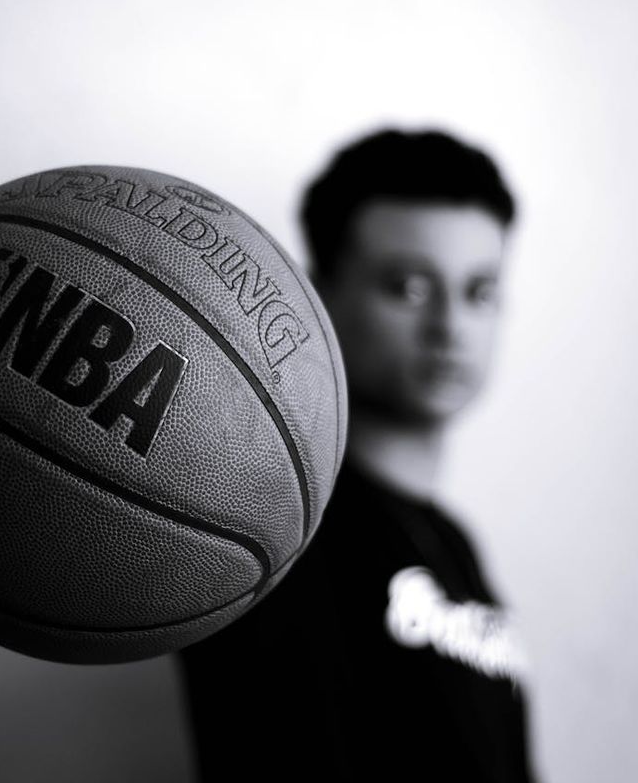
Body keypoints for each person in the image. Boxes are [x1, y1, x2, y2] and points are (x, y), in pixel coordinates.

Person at [179, 128, 538, 782]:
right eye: (409, 287)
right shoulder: (267, 529)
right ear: (320, 295)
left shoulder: (454, 543)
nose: (451, 328)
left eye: (479, 292)